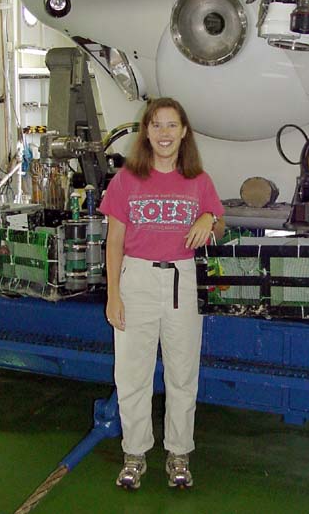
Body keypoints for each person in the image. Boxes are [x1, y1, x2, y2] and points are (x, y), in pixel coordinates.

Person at [99, 97, 225, 490]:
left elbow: (218, 227)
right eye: (157, 125)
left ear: (184, 132)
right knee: (131, 373)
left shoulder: (199, 180)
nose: (165, 133)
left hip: (182, 281)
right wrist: (113, 296)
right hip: (136, 279)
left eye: (172, 125)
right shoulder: (127, 180)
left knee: (182, 373)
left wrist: (209, 217)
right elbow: (114, 242)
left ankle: (178, 454)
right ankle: (134, 454)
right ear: (146, 132)